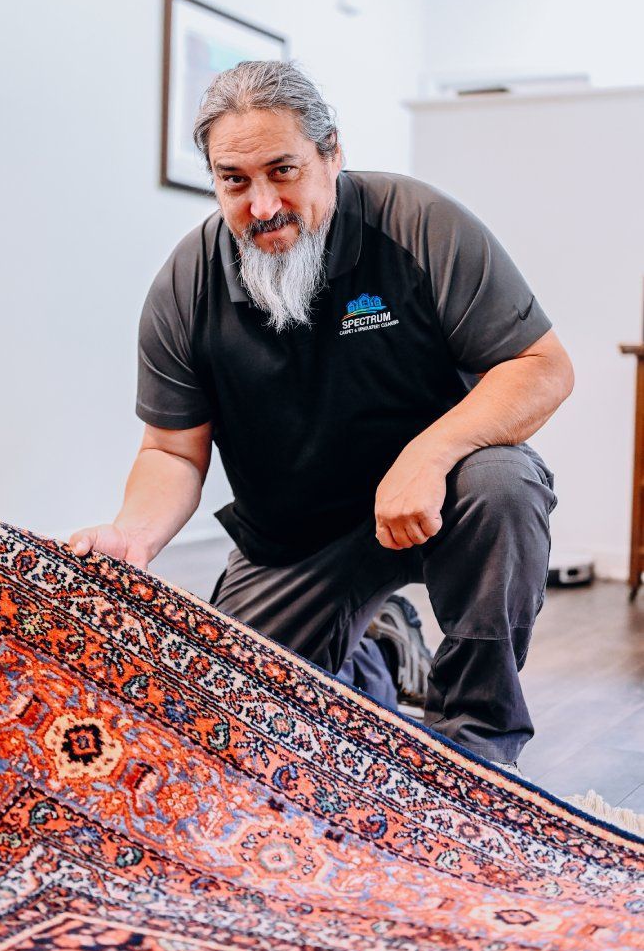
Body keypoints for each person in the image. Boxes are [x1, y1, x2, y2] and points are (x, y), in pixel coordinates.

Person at [70, 60, 573, 769]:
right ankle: (377, 653)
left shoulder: (419, 224)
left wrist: (425, 457)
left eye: (283, 170)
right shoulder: (184, 286)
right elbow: (172, 451)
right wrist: (134, 534)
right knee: (234, 730)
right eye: (234, 181)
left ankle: (478, 746)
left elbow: (541, 369)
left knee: (503, 484)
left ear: (331, 153)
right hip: (294, 532)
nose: (262, 204)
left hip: (442, 499)